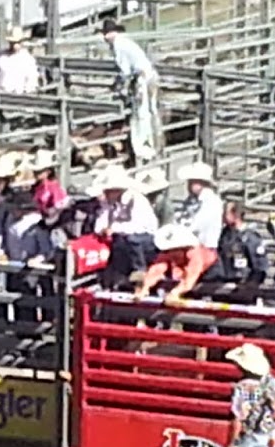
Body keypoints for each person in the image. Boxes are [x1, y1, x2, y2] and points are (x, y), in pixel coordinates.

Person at [91, 163, 158, 286]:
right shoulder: (109, 203)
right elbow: (101, 220)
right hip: (123, 236)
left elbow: (138, 226)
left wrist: (114, 228)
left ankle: (139, 269)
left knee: (131, 239)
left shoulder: (137, 200)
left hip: (146, 236)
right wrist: (103, 229)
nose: (105, 193)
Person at [102, 21, 161, 162]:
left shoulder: (118, 45)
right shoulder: (125, 42)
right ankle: (152, 144)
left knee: (141, 113)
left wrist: (117, 85)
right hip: (148, 75)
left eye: (106, 33)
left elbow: (125, 71)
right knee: (150, 111)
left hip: (142, 79)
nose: (105, 37)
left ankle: (143, 148)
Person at [202, 200, 270, 302]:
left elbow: (259, 267)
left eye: (225, 213)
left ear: (235, 215)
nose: (223, 216)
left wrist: (250, 286)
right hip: (223, 284)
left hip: (242, 286)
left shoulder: (250, 237)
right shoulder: (224, 235)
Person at [134, 224, 217, 306]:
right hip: (186, 277)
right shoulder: (169, 253)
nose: (168, 254)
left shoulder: (195, 254)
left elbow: (190, 279)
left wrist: (174, 293)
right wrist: (145, 288)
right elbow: (157, 269)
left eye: (171, 250)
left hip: (210, 277)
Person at [172, 161, 223, 249]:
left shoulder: (211, 201)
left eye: (192, 182)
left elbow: (196, 224)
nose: (188, 185)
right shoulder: (192, 200)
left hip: (205, 248)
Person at [0, 28, 41, 95]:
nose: (14, 45)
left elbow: (32, 78)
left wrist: (27, 91)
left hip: (17, 95)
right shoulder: (0, 55)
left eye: (17, 42)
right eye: (12, 43)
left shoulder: (27, 59)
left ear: (21, 43)